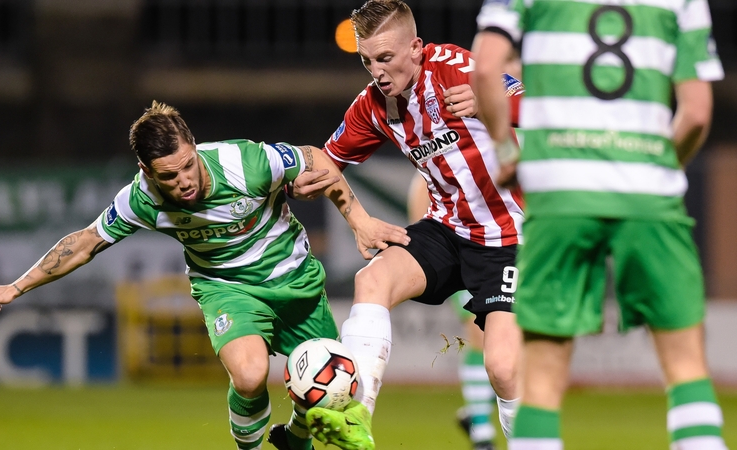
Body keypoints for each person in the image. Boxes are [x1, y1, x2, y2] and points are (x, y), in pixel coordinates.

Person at [0, 101, 410, 450]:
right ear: (148, 173)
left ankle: (295, 439)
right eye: (169, 175)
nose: (184, 181)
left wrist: (360, 220)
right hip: (227, 288)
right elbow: (87, 242)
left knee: (329, 389)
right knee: (249, 374)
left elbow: (317, 159)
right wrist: (17, 286)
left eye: (188, 165)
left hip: (295, 279)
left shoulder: (245, 162)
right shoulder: (141, 199)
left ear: (194, 146)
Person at [472, 0, 728, 449]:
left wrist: (507, 153)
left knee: (543, 381)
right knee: (686, 370)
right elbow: (697, 112)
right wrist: (661, 175)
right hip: (648, 193)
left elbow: (485, 69)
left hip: (559, 195)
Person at [291, 1, 527, 449]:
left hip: (510, 237)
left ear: (416, 48)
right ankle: (355, 415)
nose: (377, 71)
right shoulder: (374, 106)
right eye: (366, 61)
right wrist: (355, 217)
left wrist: (489, 102)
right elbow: (325, 162)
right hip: (447, 228)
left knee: (503, 368)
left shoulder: (458, 68)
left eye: (386, 58)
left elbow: (542, 107)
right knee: (373, 279)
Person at [408, 173, 498, 450]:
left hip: (499, 253)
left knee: (513, 347)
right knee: (480, 334)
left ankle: (476, 408)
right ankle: (481, 431)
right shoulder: (430, 170)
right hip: (463, 259)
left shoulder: (484, 156)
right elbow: (420, 218)